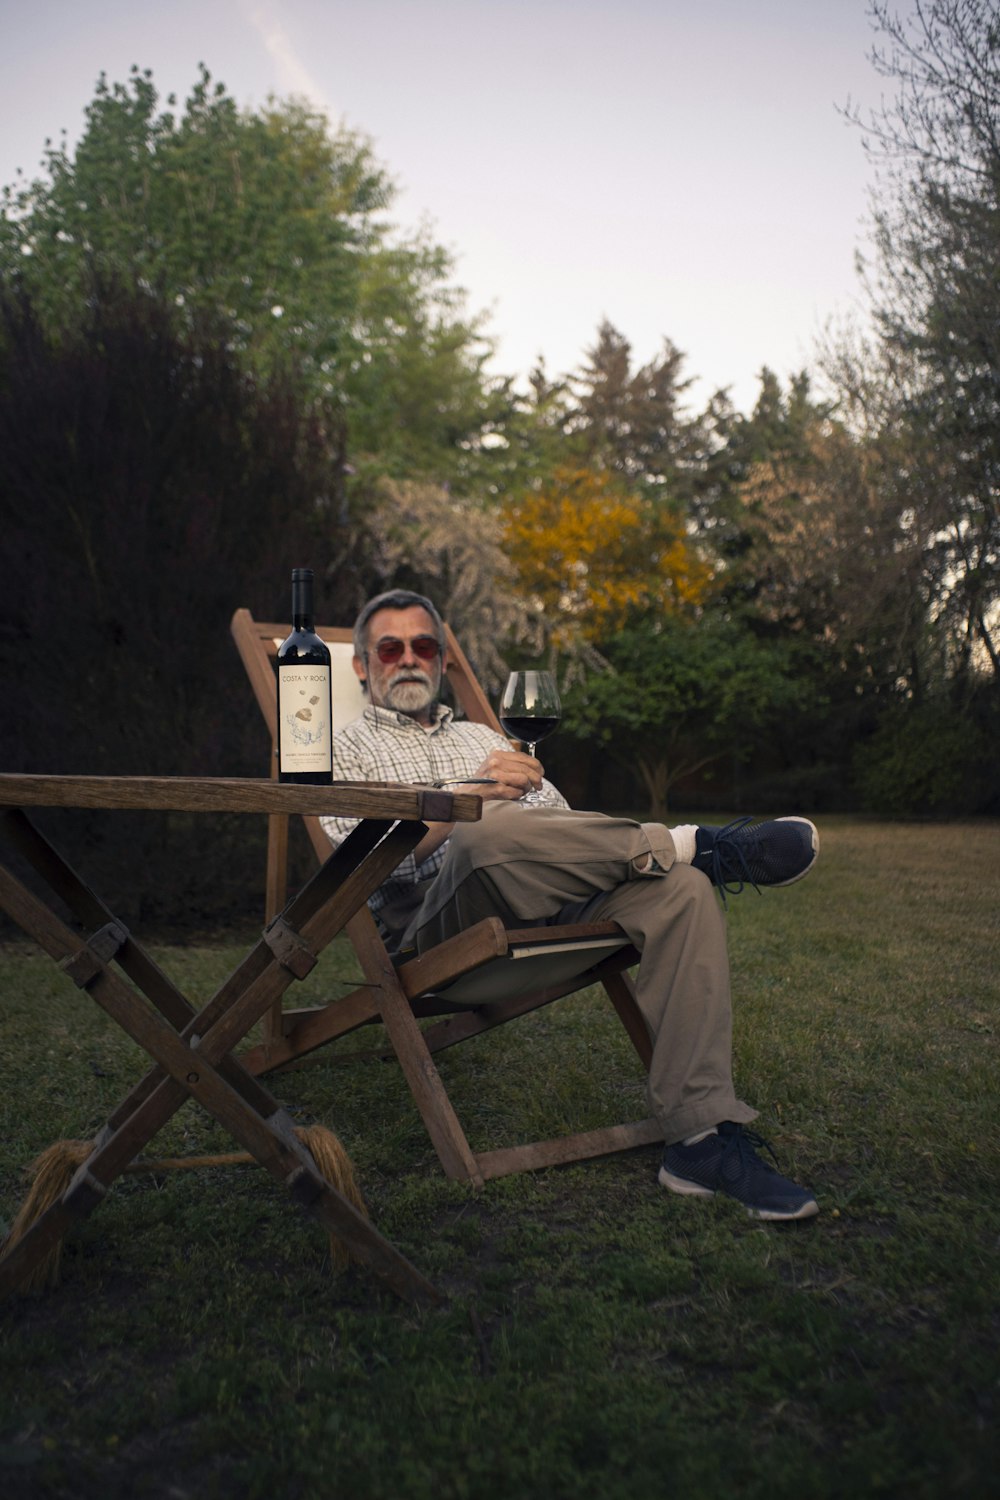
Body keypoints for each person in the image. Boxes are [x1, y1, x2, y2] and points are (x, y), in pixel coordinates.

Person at [320, 589, 821, 1222]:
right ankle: (696, 844)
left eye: (424, 647)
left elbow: (559, 825)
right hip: (436, 927)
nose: (409, 659)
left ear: (443, 660)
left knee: (680, 890)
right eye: (390, 649)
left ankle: (699, 1139)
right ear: (363, 665)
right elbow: (354, 863)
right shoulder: (344, 749)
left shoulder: (486, 735)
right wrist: (473, 792)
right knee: (481, 828)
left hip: (540, 903)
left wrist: (514, 793)